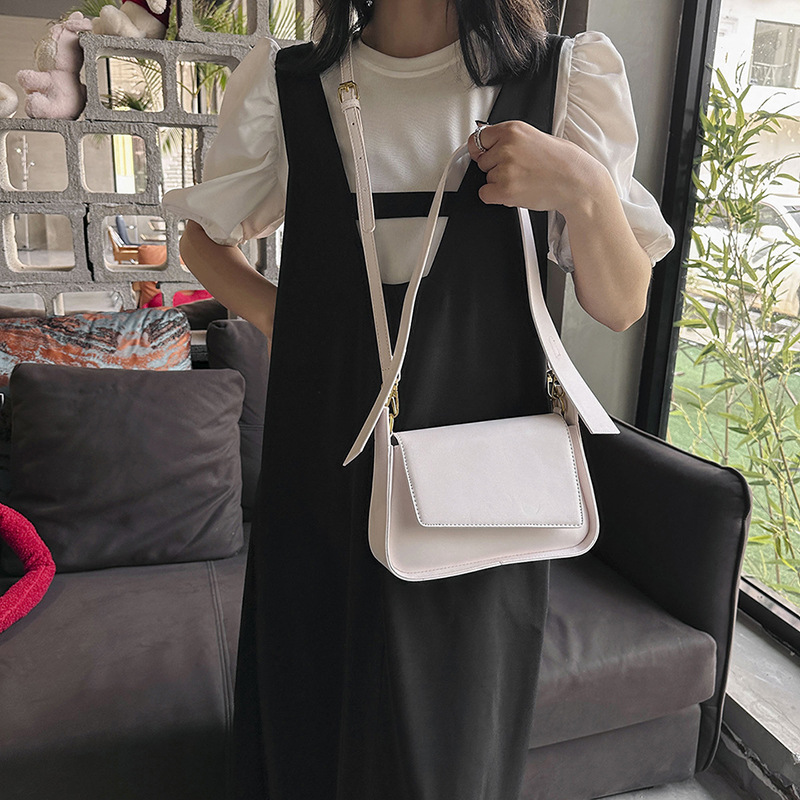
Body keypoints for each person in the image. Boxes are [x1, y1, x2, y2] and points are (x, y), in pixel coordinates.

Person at [162, 1, 675, 798]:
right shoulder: (291, 85)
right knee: (307, 735)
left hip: (478, 497)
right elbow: (203, 239)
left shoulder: (560, 79)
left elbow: (622, 303)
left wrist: (584, 188)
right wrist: (286, 319)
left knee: (452, 755)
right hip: (318, 474)